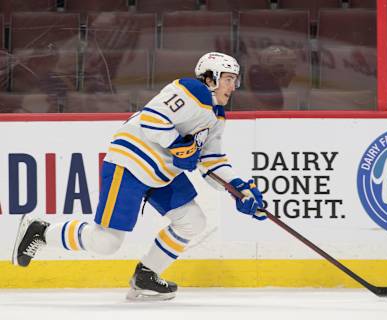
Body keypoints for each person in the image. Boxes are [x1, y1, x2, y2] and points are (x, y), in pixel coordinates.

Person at [11, 52, 266, 301]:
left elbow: (211, 161)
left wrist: (239, 189)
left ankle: (146, 275)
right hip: (131, 164)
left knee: (192, 221)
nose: (233, 86)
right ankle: (40, 231)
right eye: (228, 79)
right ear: (210, 78)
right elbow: (153, 120)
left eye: (235, 80)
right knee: (106, 242)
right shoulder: (191, 90)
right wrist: (179, 145)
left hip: (162, 173)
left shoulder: (217, 116)